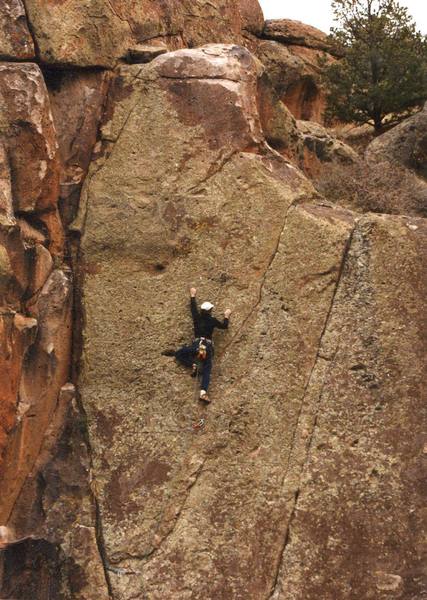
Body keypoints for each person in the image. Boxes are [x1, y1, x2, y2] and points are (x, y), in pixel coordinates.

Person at [162, 287, 231, 402]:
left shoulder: (197, 317)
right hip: (207, 347)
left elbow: (193, 308)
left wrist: (192, 295)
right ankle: (203, 392)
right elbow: (224, 326)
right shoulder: (212, 320)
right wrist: (226, 316)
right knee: (207, 368)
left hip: (196, 346)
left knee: (179, 353)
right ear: (210, 311)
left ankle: (192, 364)